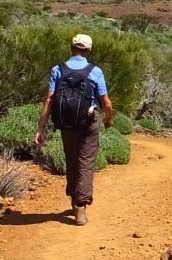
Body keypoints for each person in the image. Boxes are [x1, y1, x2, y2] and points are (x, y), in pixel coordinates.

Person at [35, 33, 113, 225]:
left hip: (66, 123)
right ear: (88, 50)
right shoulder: (95, 71)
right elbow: (106, 103)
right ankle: (80, 206)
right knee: (86, 162)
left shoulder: (57, 69)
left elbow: (49, 99)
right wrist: (108, 120)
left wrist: (41, 128)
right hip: (89, 121)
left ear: (71, 48)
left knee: (71, 159)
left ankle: (73, 196)